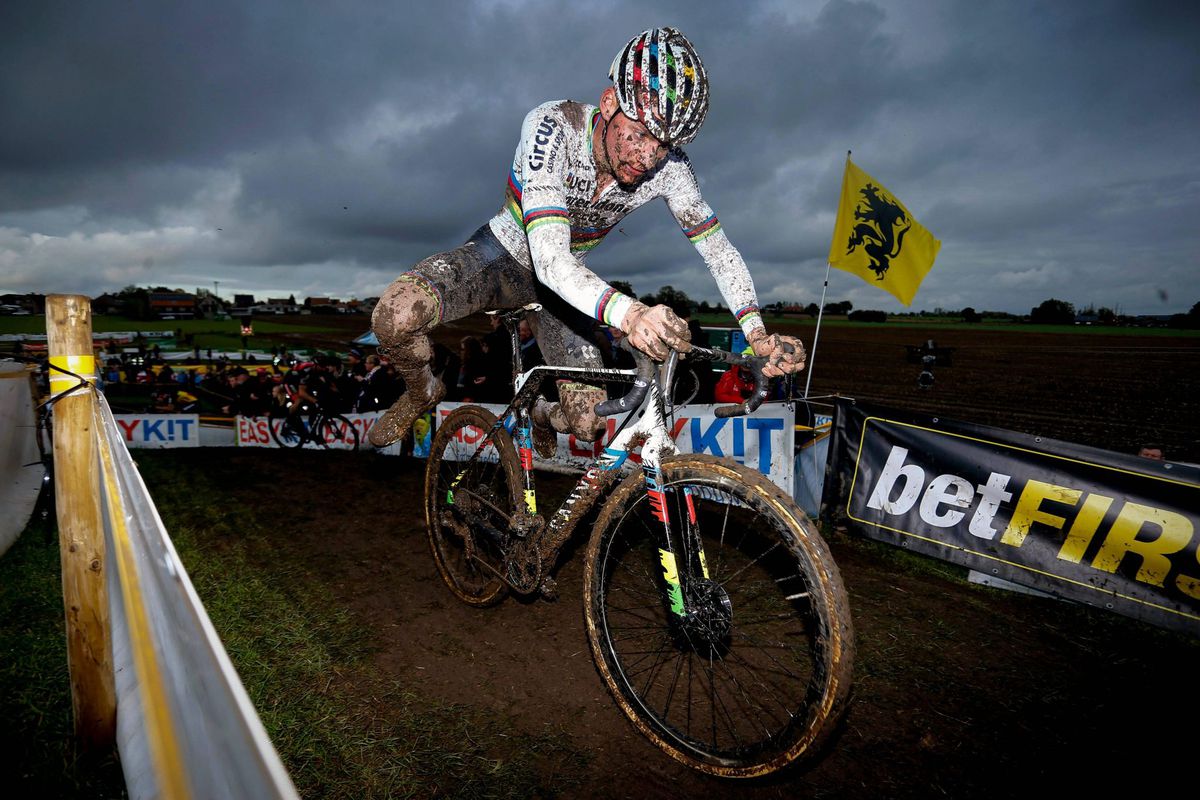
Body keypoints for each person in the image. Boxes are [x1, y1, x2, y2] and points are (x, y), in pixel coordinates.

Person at [369, 27, 805, 450]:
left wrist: (757, 332)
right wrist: (631, 315)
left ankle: (539, 412)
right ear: (609, 102)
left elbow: (717, 249)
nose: (648, 157)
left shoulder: (671, 169)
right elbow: (549, 259)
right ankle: (421, 390)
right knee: (394, 317)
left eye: (663, 145)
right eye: (640, 135)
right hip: (502, 258)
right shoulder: (553, 127)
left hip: (563, 289)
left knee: (588, 423)